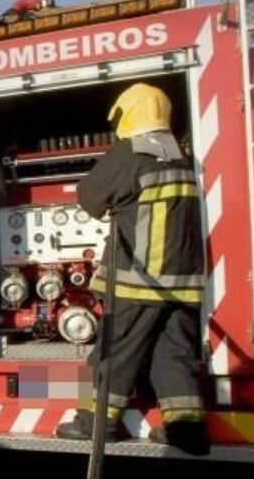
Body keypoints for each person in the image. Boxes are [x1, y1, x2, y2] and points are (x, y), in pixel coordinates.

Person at [55, 82, 209, 455]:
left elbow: (89, 197)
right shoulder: (181, 154)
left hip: (139, 281)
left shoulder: (129, 153)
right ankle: (185, 428)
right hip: (184, 285)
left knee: (115, 351)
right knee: (172, 353)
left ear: (130, 114)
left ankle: (98, 423)